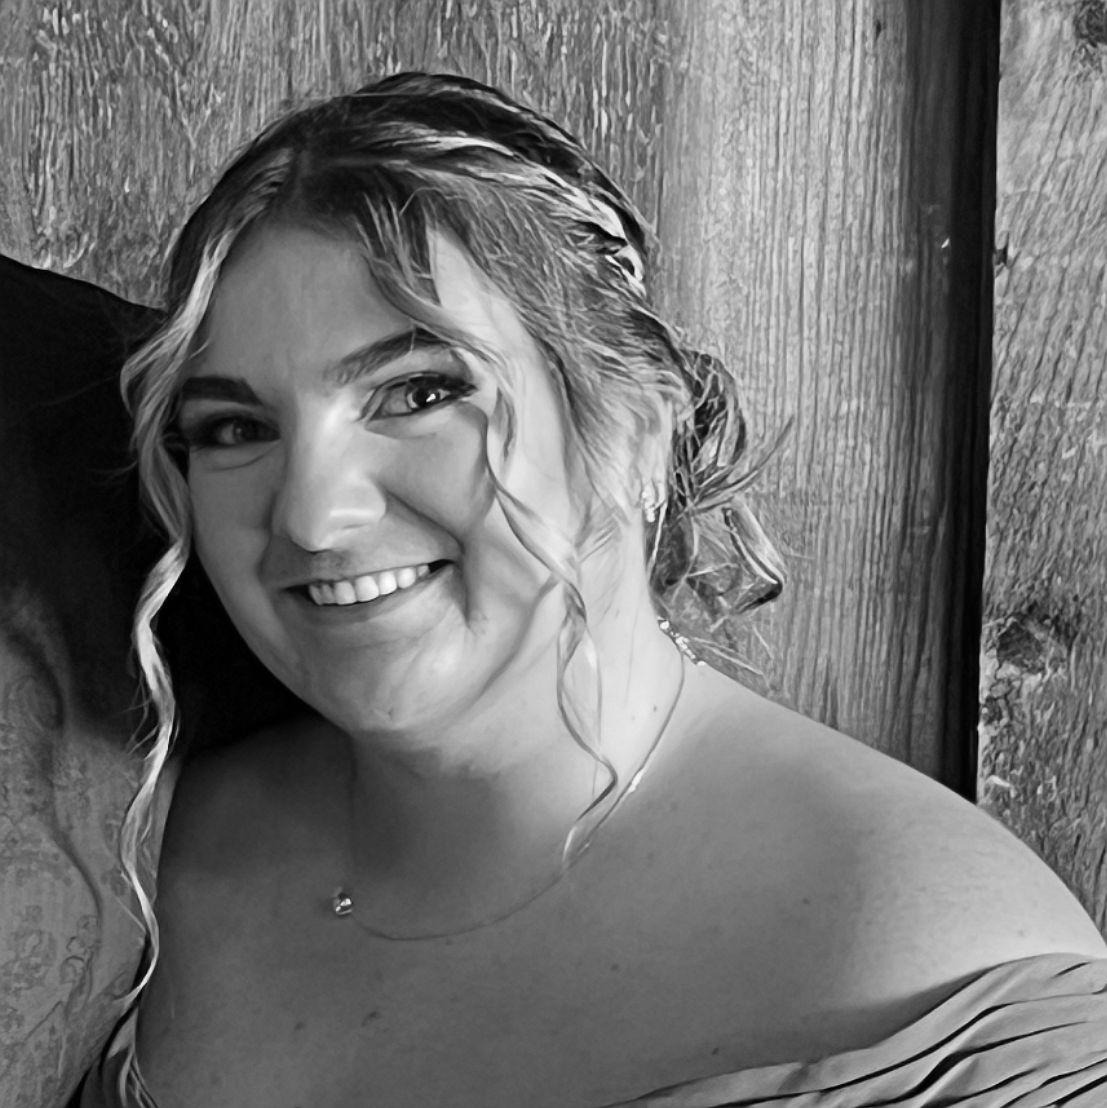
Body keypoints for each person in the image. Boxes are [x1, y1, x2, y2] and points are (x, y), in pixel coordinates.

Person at [80, 72, 1107, 1107]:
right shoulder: (141, 848)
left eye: (419, 392)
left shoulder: (930, 967)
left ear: (634, 432)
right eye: (235, 428)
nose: (312, 515)